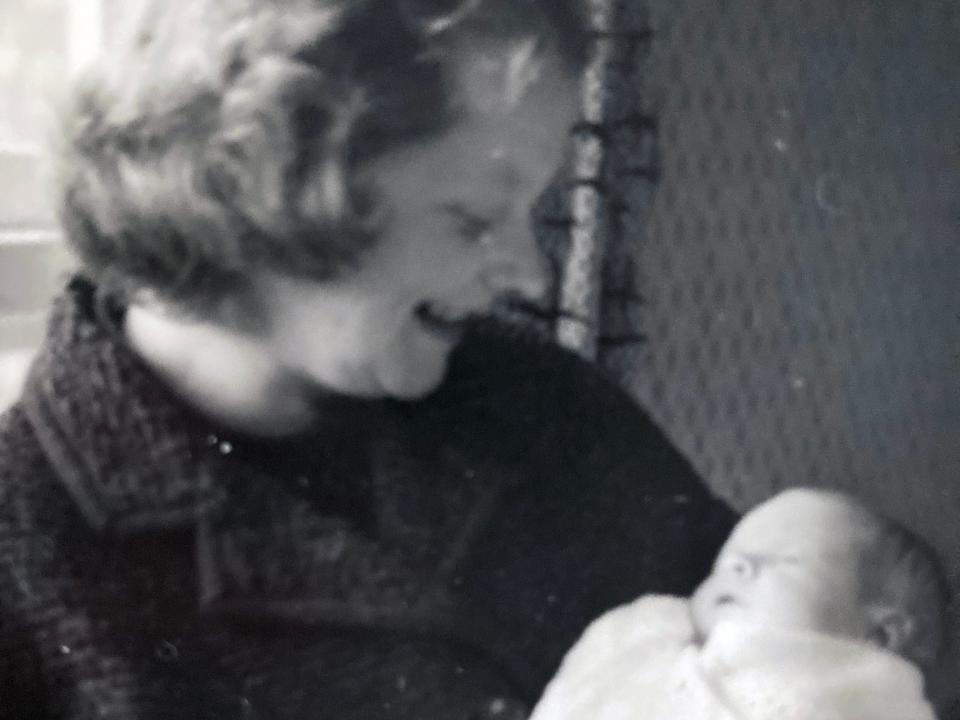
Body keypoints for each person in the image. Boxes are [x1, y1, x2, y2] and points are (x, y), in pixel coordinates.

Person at [0, 1, 737, 718]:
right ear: (261, 198)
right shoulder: (25, 554)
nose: (531, 274)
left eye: (531, 212)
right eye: (473, 219)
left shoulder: (543, 400)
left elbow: (774, 640)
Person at [530, 488, 949, 720]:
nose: (735, 566)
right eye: (725, 562)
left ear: (878, 635)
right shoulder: (659, 639)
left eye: (786, 561)